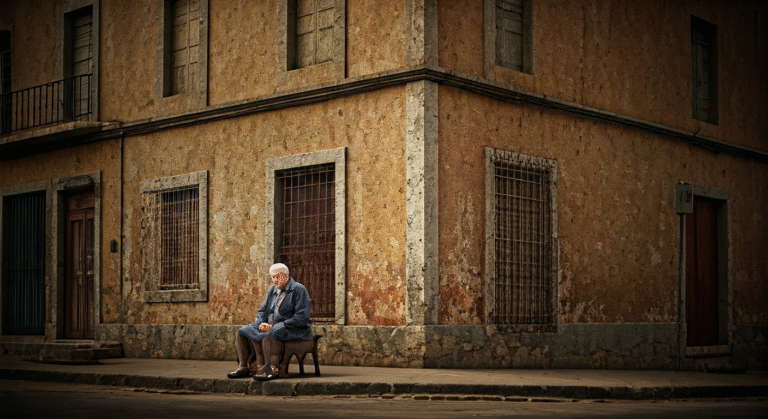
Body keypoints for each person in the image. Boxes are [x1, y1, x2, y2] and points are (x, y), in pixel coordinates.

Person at [227, 263, 312, 381]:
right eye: (272, 277)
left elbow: (302, 317)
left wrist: (277, 325)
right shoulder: (273, 289)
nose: (274, 280)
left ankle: (272, 369)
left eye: (277, 276)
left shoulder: (298, 289)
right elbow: (262, 311)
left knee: (273, 332)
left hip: (294, 328)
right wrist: (260, 324)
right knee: (243, 331)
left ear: (286, 276)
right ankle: (243, 367)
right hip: (272, 326)